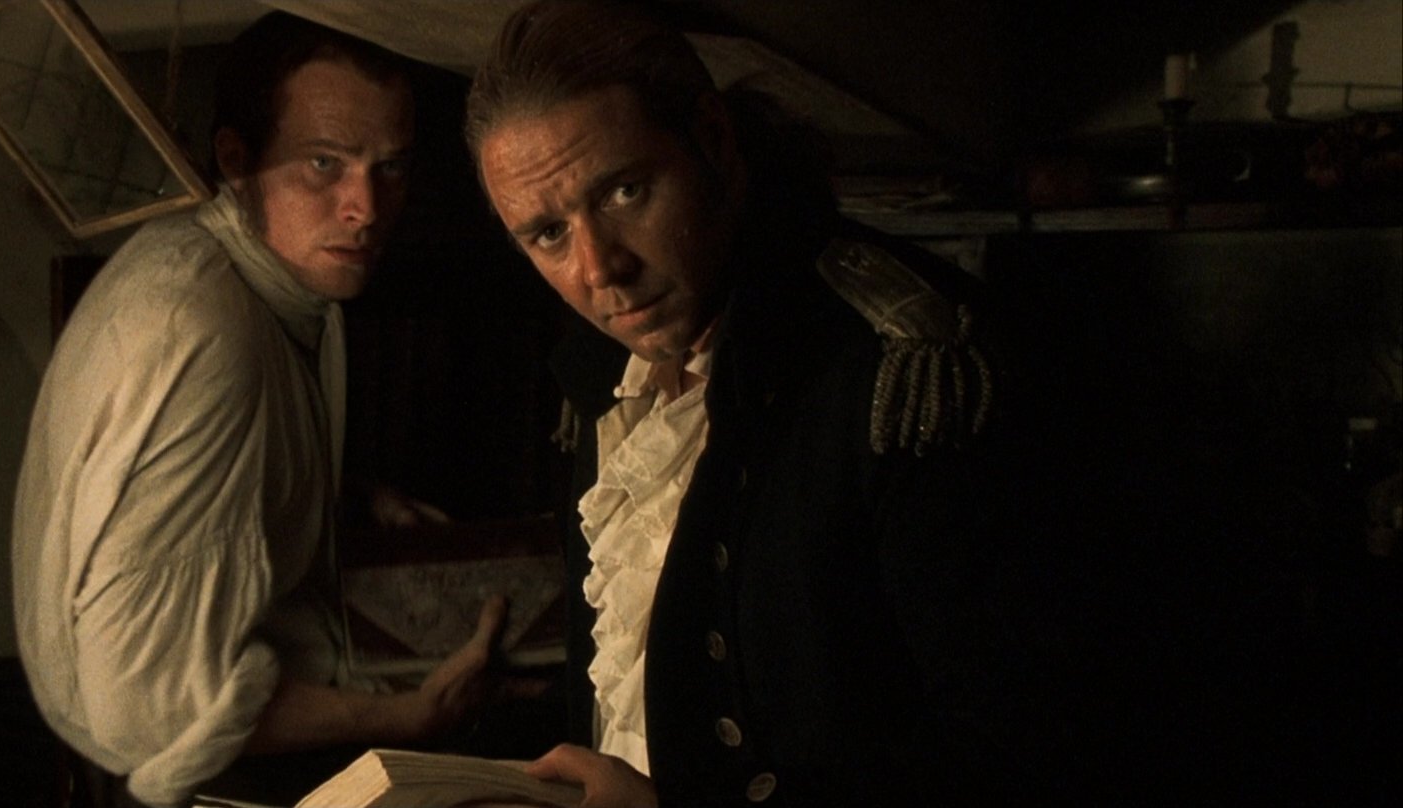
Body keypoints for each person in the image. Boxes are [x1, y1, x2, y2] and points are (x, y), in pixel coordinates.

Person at [464, 2, 1103, 805]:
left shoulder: (904, 367)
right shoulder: (603, 376)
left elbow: (1014, 754)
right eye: (549, 235)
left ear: (713, 139)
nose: (599, 269)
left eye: (626, 191)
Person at [11, 13, 511, 808]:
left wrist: (357, 499)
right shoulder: (208, 334)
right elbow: (140, 710)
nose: (365, 208)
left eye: (390, 167)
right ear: (236, 160)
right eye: (323, 164)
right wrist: (406, 716)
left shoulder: (261, 277)